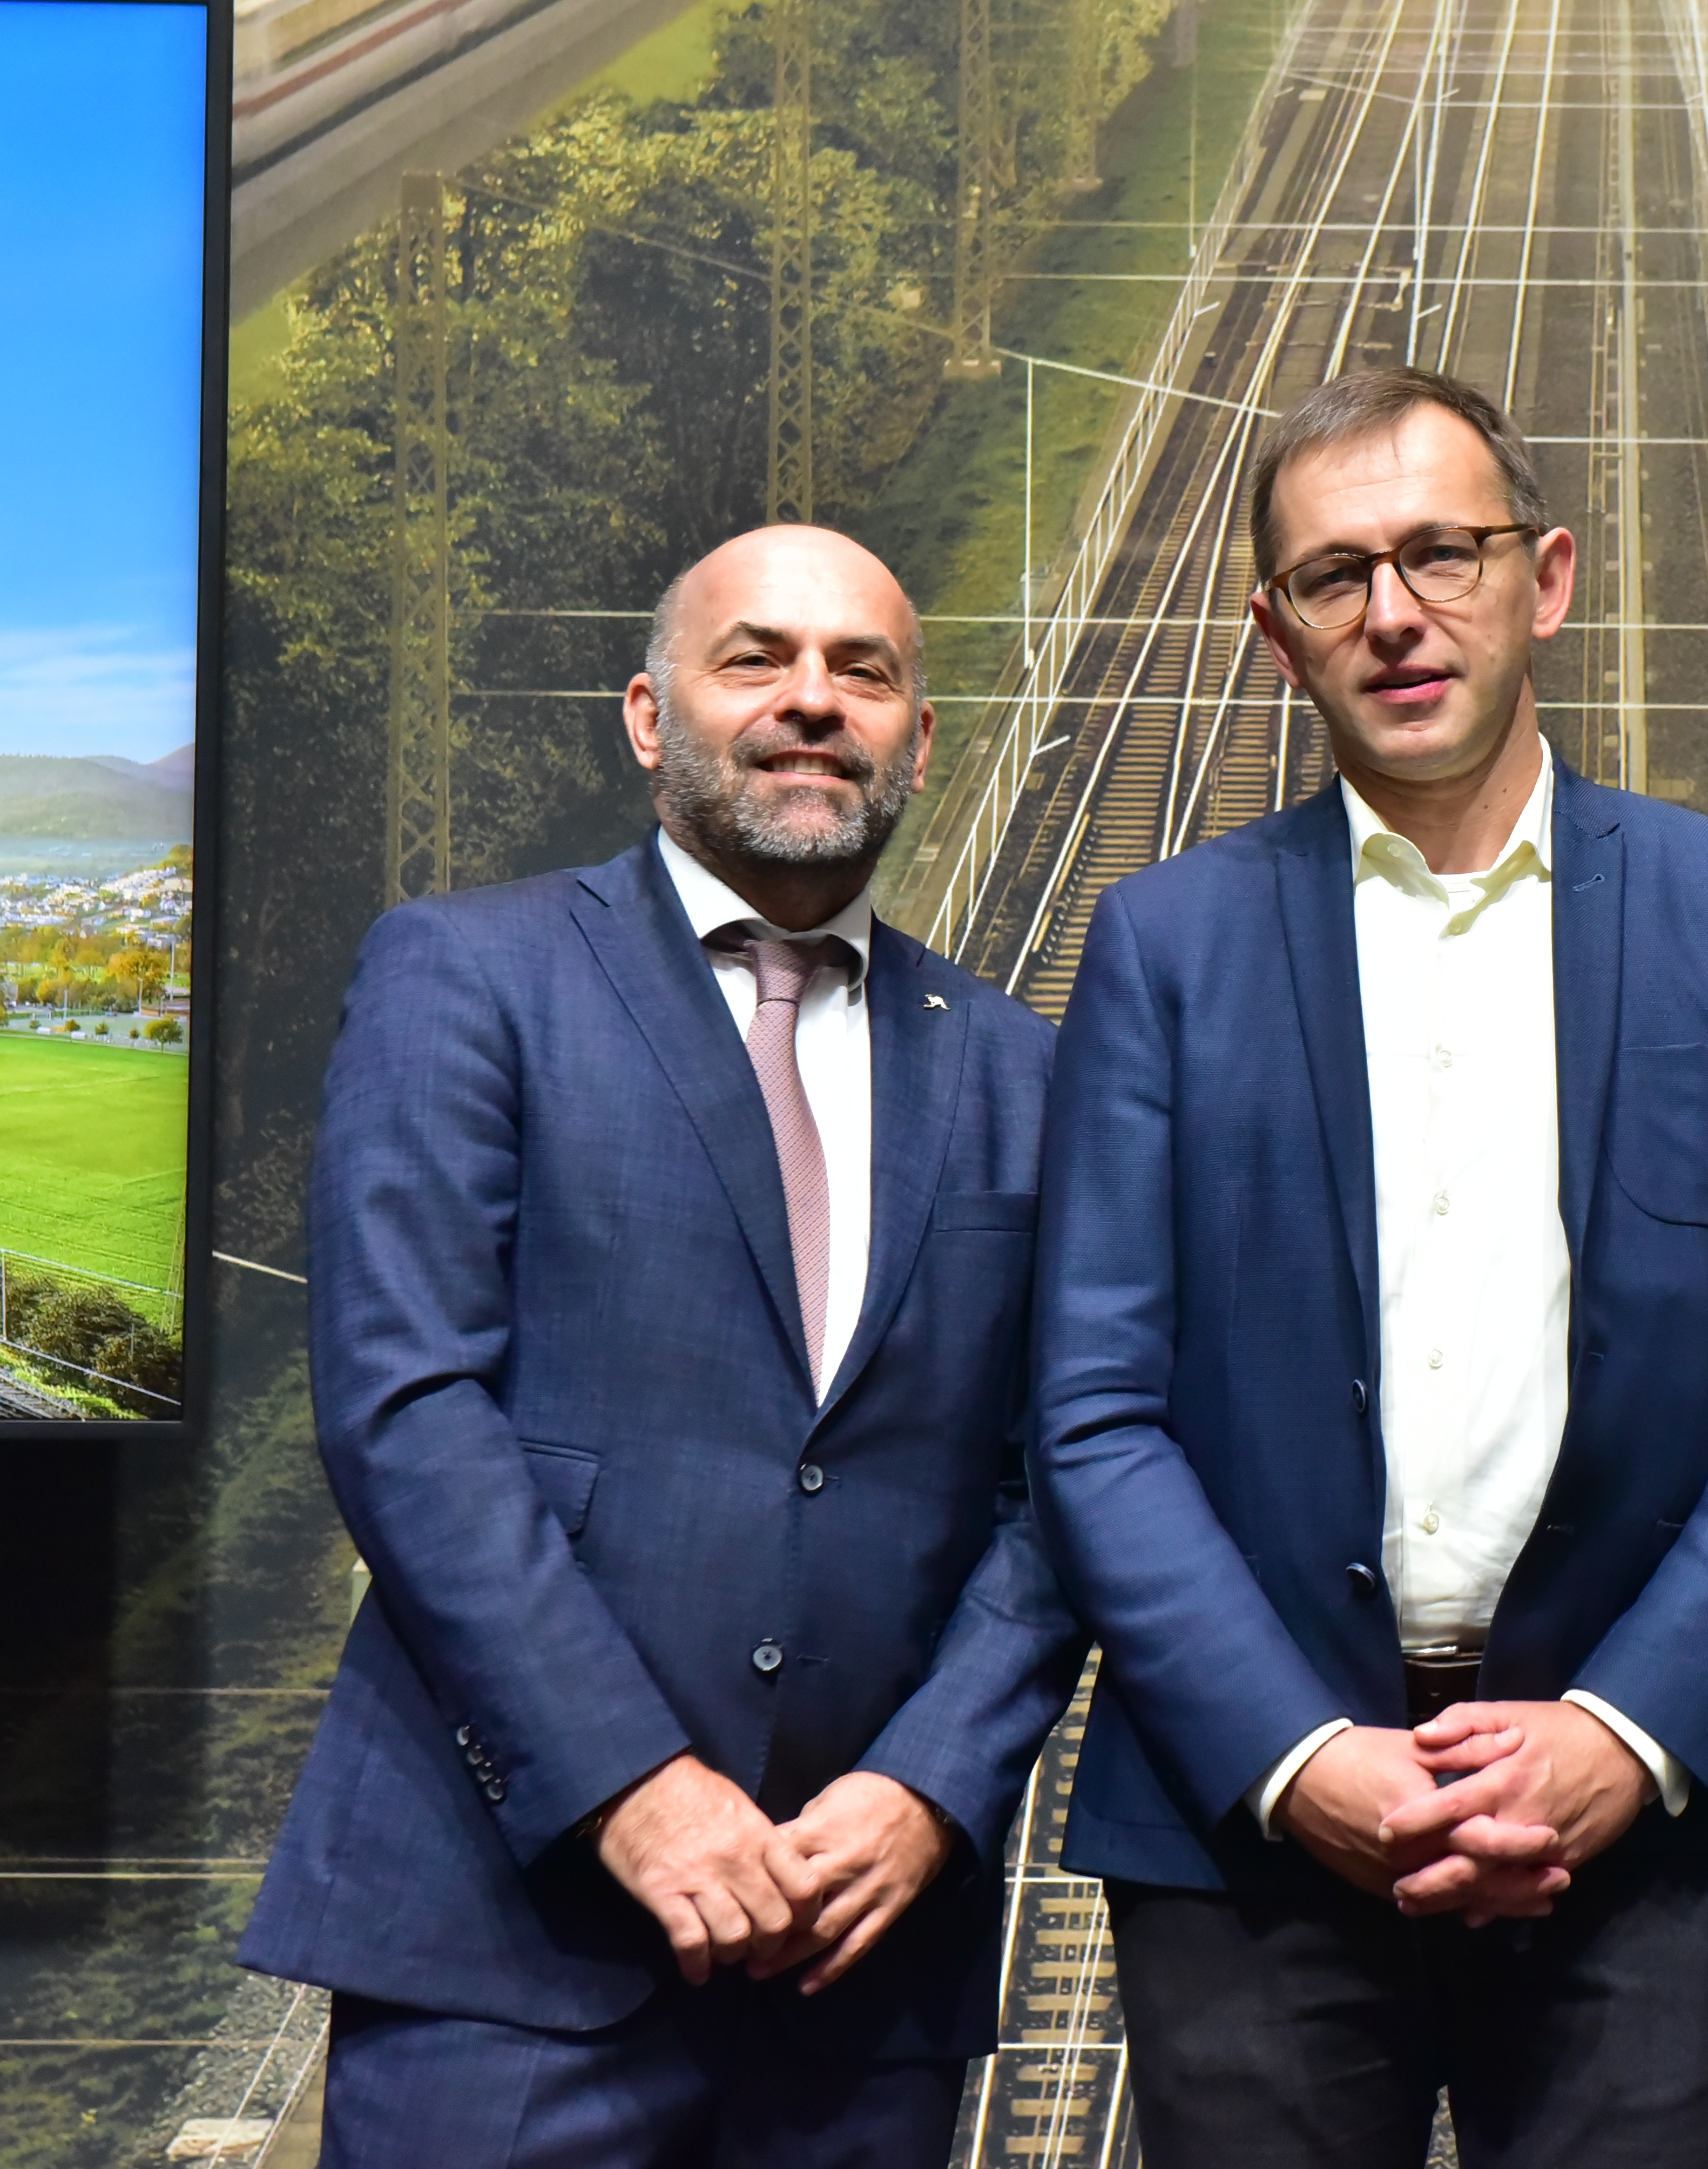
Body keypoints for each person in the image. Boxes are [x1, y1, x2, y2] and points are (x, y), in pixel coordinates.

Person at [1025, 365, 1708, 2167]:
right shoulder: (1164, 949)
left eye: (1441, 553)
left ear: (1544, 579)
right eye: (1336, 576)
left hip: (1631, 1827)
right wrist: (1295, 1755)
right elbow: (1093, 1410)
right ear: (1278, 634)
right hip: (1254, 1835)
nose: (1395, 612)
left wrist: (1623, 1732)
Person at [241, 526, 1081, 2164]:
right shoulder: (468, 973)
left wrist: (929, 1786)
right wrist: (634, 1788)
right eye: (755, 658)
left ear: (921, 738)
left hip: (861, 1974)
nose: (812, 701)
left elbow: (1065, 1479)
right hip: (507, 1944)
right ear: (648, 716)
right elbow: (408, 1411)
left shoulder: (1018, 1068)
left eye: (863, 672)